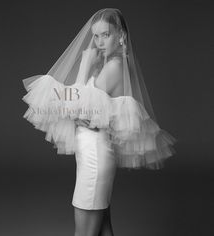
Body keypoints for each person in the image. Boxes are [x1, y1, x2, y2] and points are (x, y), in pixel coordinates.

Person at [22, 8, 176, 236]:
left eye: (106, 35)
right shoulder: (112, 64)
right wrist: (78, 109)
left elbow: (78, 106)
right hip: (93, 152)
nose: (99, 42)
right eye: (96, 36)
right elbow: (81, 107)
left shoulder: (115, 67)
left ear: (121, 35)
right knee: (103, 228)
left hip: (95, 156)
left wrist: (84, 64)